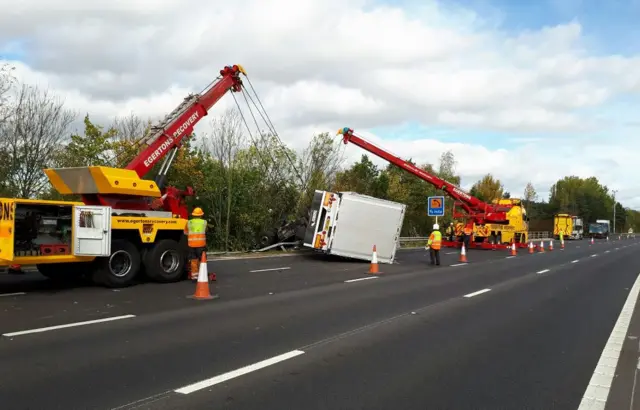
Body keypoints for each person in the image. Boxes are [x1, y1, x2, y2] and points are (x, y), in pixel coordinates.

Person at [184, 207, 211, 281]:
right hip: (201, 245)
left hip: (191, 245)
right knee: (202, 260)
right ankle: (203, 274)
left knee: (193, 260)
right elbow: (206, 231)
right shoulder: (204, 222)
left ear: (193, 215)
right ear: (201, 215)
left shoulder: (189, 222)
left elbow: (185, 232)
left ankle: (195, 276)